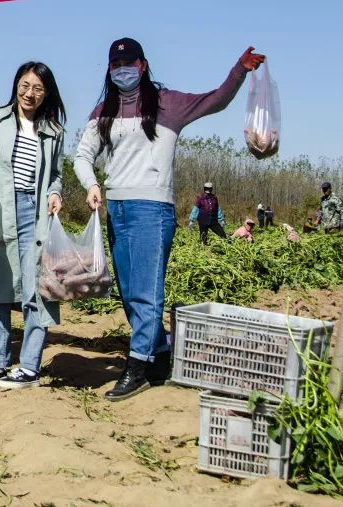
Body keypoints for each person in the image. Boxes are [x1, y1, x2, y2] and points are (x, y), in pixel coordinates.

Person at [74, 37, 264, 401]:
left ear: (143, 65)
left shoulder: (169, 104)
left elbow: (216, 99)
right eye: (116, 65)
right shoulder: (103, 111)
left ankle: (137, 366)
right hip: (117, 209)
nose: (122, 69)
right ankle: (160, 357)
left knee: (147, 292)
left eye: (129, 63)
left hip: (152, 209)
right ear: (109, 70)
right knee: (129, 293)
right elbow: (83, 155)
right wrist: (91, 183)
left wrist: (239, 71)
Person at [0, 62, 65, 390]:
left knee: (36, 290)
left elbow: (56, 174)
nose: (29, 93)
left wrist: (56, 192)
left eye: (37, 88)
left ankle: (30, 367)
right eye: (24, 85)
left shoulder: (54, 131)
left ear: (46, 94)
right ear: (16, 85)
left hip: (35, 215)